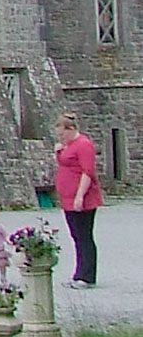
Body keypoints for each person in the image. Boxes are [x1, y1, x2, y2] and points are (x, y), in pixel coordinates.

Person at [53, 114, 102, 287]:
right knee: (76, 236)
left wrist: (79, 196)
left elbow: (87, 172)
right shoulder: (69, 146)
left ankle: (87, 276)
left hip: (82, 199)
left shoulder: (83, 145)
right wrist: (59, 151)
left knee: (84, 236)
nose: (61, 138)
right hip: (68, 199)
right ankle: (79, 273)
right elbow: (65, 165)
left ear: (71, 129)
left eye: (63, 134)